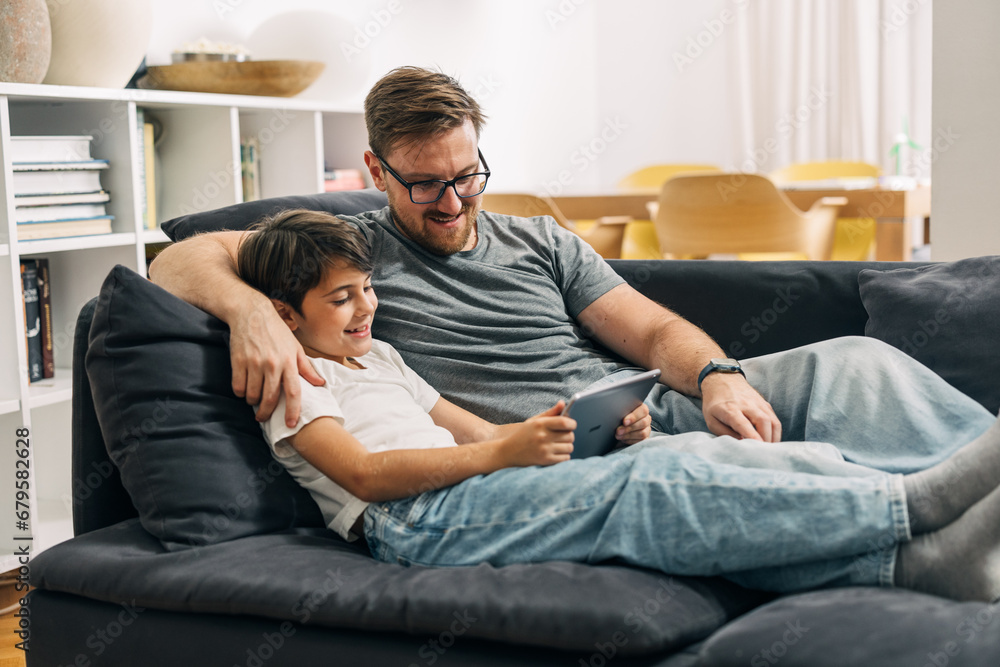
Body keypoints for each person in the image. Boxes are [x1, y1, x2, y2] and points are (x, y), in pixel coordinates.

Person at [149, 66, 999, 594]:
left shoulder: (539, 238)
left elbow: (655, 329)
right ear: (376, 172)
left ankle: (981, 492)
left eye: (468, 176)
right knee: (678, 482)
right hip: (535, 456)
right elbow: (174, 259)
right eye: (426, 186)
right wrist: (252, 311)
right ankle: (919, 517)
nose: (454, 202)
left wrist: (714, 377)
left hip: (620, 414)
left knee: (848, 362)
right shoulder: (345, 262)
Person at [233, 207, 1000, 602]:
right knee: (659, 484)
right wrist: (499, 452)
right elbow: (364, 474)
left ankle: (937, 547)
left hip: (483, 481)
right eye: (343, 298)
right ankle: (910, 506)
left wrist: (581, 432)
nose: (367, 306)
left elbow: (486, 432)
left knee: (684, 450)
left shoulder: (380, 351)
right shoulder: (296, 376)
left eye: (368, 290)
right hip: (418, 521)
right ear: (286, 311)